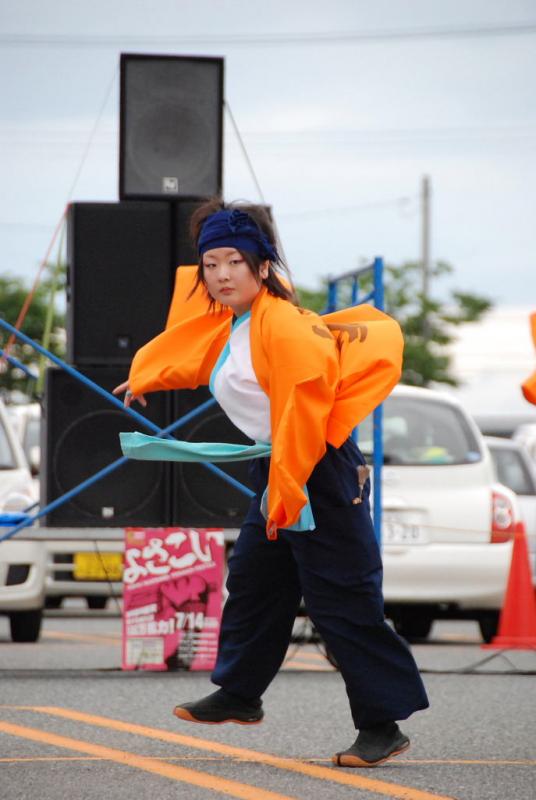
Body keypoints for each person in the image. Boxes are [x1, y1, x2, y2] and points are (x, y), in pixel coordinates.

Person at [114, 199, 429, 768]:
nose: (223, 274)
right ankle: (240, 694)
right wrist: (144, 378)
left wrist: (289, 493)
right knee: (257, 580)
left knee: (341, 600)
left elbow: (305, 415)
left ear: (263, 267)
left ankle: (383, 724)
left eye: (236, 261)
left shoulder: (285, 326)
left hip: (316, 468)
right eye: (211, 264)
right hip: (280, 467)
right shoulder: (236, 323)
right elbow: (195, 354)